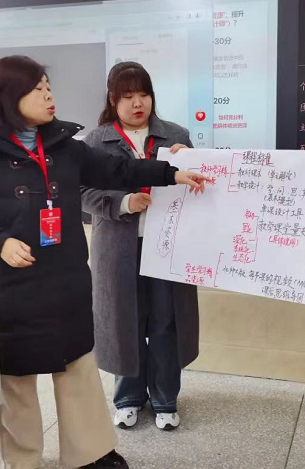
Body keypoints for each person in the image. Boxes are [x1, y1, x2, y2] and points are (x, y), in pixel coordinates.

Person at [0, 56, 206, 469]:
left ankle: (91, 454)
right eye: (38, 88)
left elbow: (117, 169)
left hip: (66, 281)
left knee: (77, 368)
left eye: (48, 87)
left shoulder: (62, 146)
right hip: (7, 288)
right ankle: (21, 460)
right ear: (9, 96)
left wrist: (171, 173)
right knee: (16, 380)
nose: (49, 96)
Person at [81, 62, 200, 432]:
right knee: (124, 322)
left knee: (166, 320)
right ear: (112, 100)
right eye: (128, 96)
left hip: (168, 245)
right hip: (117, 248)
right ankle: (128, 398)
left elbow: (200, 185)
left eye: (144, 94)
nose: (138, 103)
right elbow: (82, 192)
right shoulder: (96, 141)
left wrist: (189, 159)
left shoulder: (175, 135)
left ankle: (165, 399)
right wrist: (122, 203)